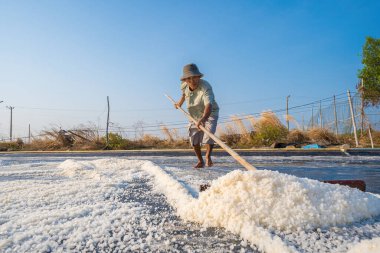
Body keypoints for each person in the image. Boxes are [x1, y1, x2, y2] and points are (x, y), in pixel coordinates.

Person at [175, 63, 219, 168]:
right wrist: (179, 103)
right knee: (193, 138)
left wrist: (204, 118)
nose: (192, 81)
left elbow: (208, 104)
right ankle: (200, 161)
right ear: (185, 80)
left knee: (209, 135)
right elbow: (183, 94)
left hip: (210, 113)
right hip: (194, 115)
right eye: (188, 79)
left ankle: (208, 156)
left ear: (198, 76)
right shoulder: (184, 85)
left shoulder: (206, 87)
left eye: (194, 78)